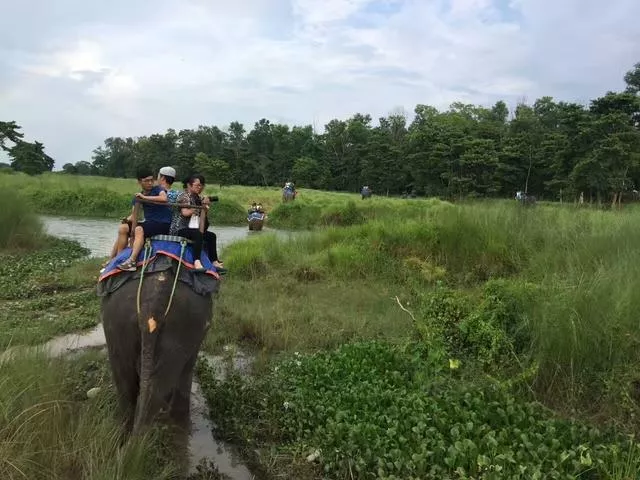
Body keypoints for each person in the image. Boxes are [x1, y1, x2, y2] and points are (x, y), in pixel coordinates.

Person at [115, 167, 175, 271]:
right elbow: (134, 216)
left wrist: (145, 198)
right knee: (123, 228)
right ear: (139, 182)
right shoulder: (138, 196)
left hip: (163, 223)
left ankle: (132, 261)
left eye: (152, 180)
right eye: (146, 181)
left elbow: (164, 198)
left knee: (138, 229)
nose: (150, 183)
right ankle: (119, 258)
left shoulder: (158, 189)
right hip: (150, 223)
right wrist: (126, 220)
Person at [171, 174, 224, 271]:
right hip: (180, 228)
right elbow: (185, 212)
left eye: (202, 185)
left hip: (194, 228)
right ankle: (196, 261)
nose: (200, 188)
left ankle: (214, 261)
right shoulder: (183, 196)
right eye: (197, 185)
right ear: (189, 185)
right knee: (198, 234)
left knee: (211, 236)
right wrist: (198, 208)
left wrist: (205, 207)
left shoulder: (198, 198)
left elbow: (203, 221)